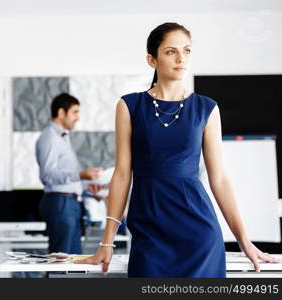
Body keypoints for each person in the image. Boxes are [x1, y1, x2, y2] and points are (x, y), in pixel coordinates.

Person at [74, 22, 282, 277]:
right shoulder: (129, 106)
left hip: (199, 233)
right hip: (149, 229)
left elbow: (219, 178)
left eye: (187, 50)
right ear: (152, 59)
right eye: (171, 51)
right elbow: (122, 175)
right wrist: (107, 241)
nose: (181, 58)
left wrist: (244, 240)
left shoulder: (207, 108)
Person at [35, 93, 102, 254]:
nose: (78, 117)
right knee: (61, 261)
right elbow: (47, 175)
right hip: (60, 203)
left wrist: (88, 188)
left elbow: (65, 175)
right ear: (61, 113)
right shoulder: (50, 138)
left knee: (73, 261)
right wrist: (80, 175)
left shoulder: (63, 137)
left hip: (69, 204)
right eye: (75, 112)